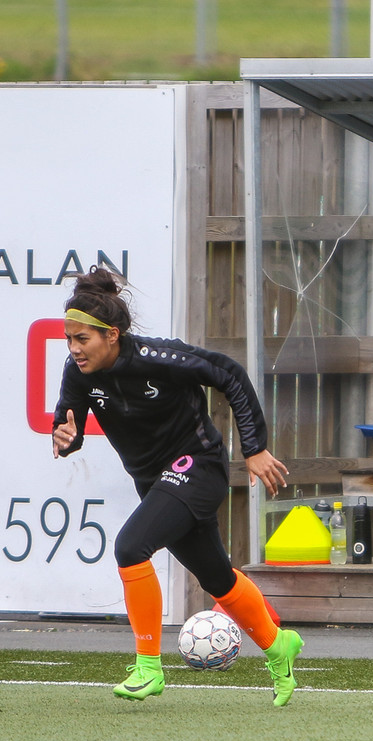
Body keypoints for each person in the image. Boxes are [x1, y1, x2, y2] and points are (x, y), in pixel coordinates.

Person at [52, 266, 303, 706]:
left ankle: (148, 667)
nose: (74, 348)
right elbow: (67, 424)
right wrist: (65, 439)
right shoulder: (78, 373)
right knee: (217, 578)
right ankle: (279, 646)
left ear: (112, 335)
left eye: (82, 339)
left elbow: (230, 374)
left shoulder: (159, 357)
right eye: (69, 339)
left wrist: (255, 448)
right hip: (155, 482)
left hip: (198, 466)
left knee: (131, 547)